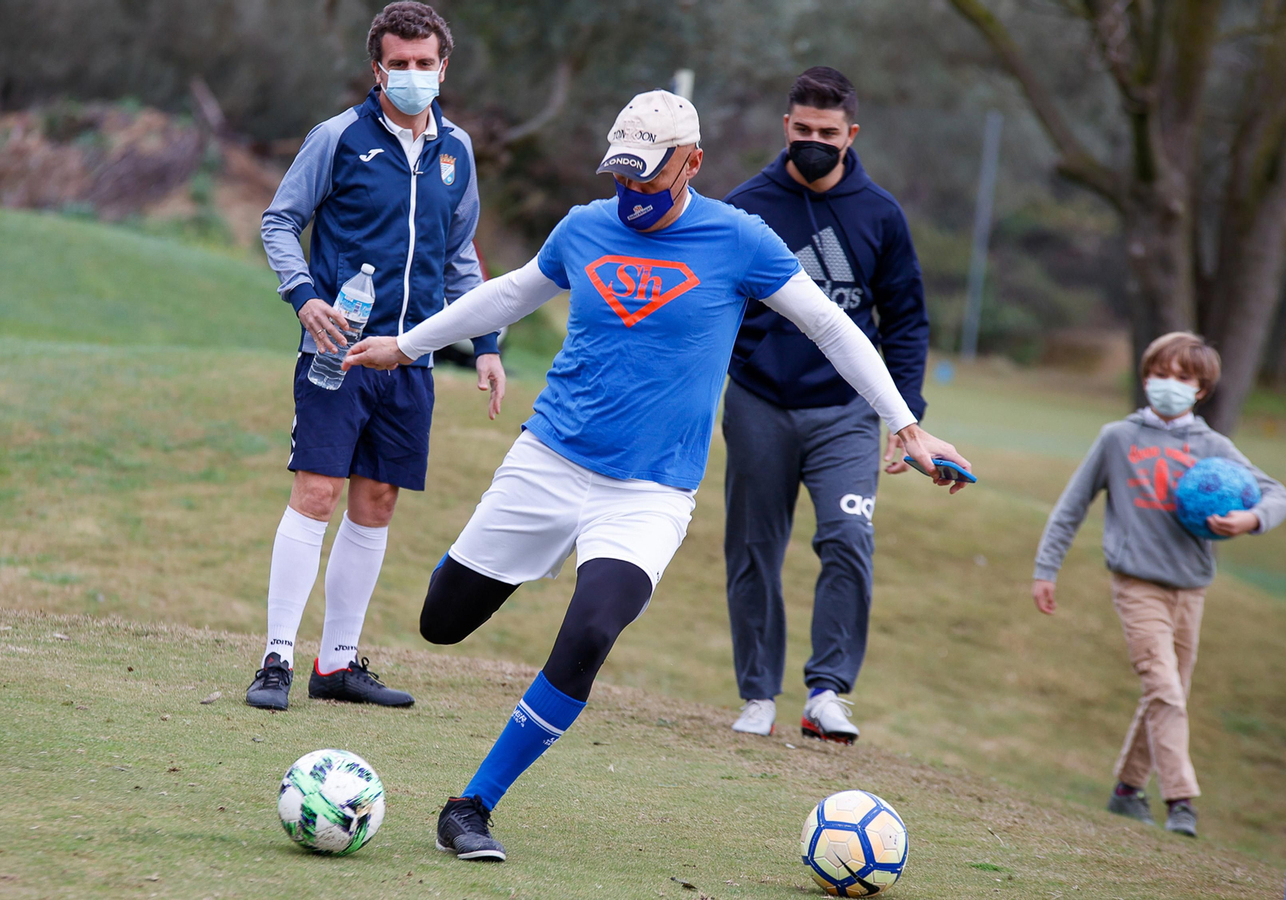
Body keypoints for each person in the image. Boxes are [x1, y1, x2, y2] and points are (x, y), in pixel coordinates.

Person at [345, 90, 970, 862]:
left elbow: (831, 326)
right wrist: (406, 346)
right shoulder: (584, 227)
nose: (633, 193)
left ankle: (472, 806)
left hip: (649, 493)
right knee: (441, 621)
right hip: (548, 461)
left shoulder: (739, 240)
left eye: (649, 177)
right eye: (623, 177)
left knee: (593, 629)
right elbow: (511, 290)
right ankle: (521, 558)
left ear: (693, 163)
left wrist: (903, 422)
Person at [250, 1, 504, 711]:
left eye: (426, 64)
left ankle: (336, 666)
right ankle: (275, 659)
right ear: (377, 66)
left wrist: (485, 344)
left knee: (377, 500)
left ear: (444, 67)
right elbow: (279, 220)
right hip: (336, 353)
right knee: (318, 493)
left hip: (412, 361)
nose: (414, 75)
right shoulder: (336, 137)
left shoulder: (457, 151)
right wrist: (302, 296)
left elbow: (460, 255)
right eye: (401, 63)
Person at [718, 66, 930, 743]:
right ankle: (757, 695)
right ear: (786, 127)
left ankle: (828, 692)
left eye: (827, 133)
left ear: (851, 134)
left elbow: (907, 320)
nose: (814, 141)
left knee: (848, 540)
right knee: (754, 550)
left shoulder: (880, 214)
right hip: (758, 403)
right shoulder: (745, 206)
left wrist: (907, 414)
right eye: (803, 130)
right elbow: (709, 305)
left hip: (846, 414)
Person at [1033, 332, 1284, 839]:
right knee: (1165, 690)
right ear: (1145, 377)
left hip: (1190, 589)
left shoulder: (1214, 447)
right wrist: (1046, 569)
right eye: (1160, 373)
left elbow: (1276, 493)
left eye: (1183, 378)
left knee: (1167, 695)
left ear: (1201, 390)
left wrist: (1250, 519)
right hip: (1136, 585)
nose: (1169, 384)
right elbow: (1071, 507)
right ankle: (1182, 801)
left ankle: (1127, 791)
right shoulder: (1117, 439)